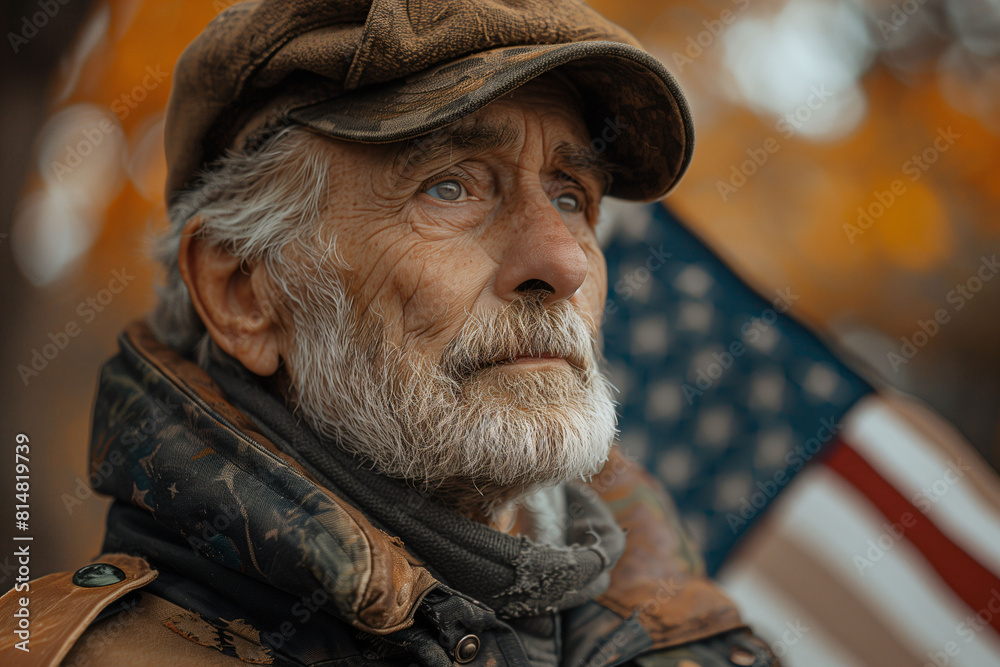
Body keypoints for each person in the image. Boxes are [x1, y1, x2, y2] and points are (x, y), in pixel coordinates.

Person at [0, 1, 778, 664]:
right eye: (451, 187)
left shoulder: (695, 634)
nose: (563, 259)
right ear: (243, 291)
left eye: (572, 196)